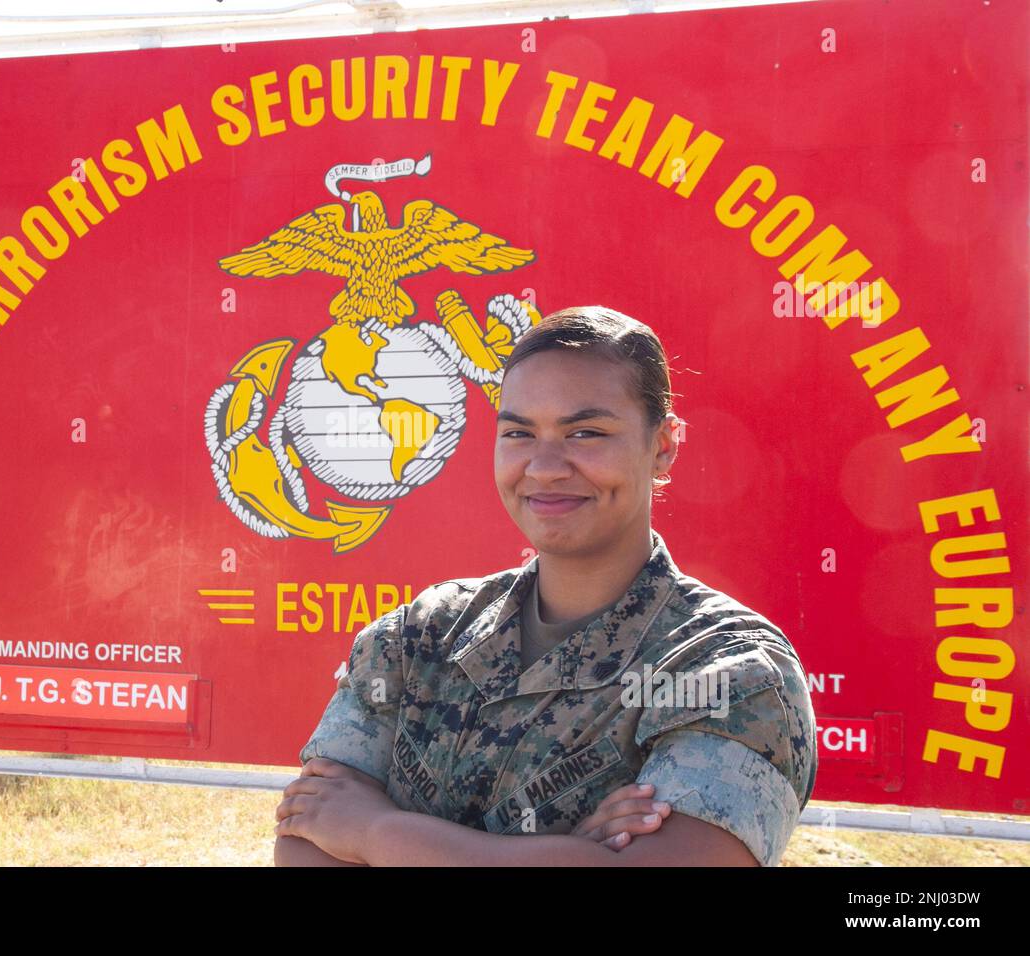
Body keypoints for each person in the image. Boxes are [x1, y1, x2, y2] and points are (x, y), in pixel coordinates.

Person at [274, 305, 817, 866]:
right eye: (520, 432)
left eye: (586, 432)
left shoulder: (728, 670)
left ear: (664, 444)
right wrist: (571, 855)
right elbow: (306, 835)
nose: (546, 466)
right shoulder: (416, 639)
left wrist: (374, 833)